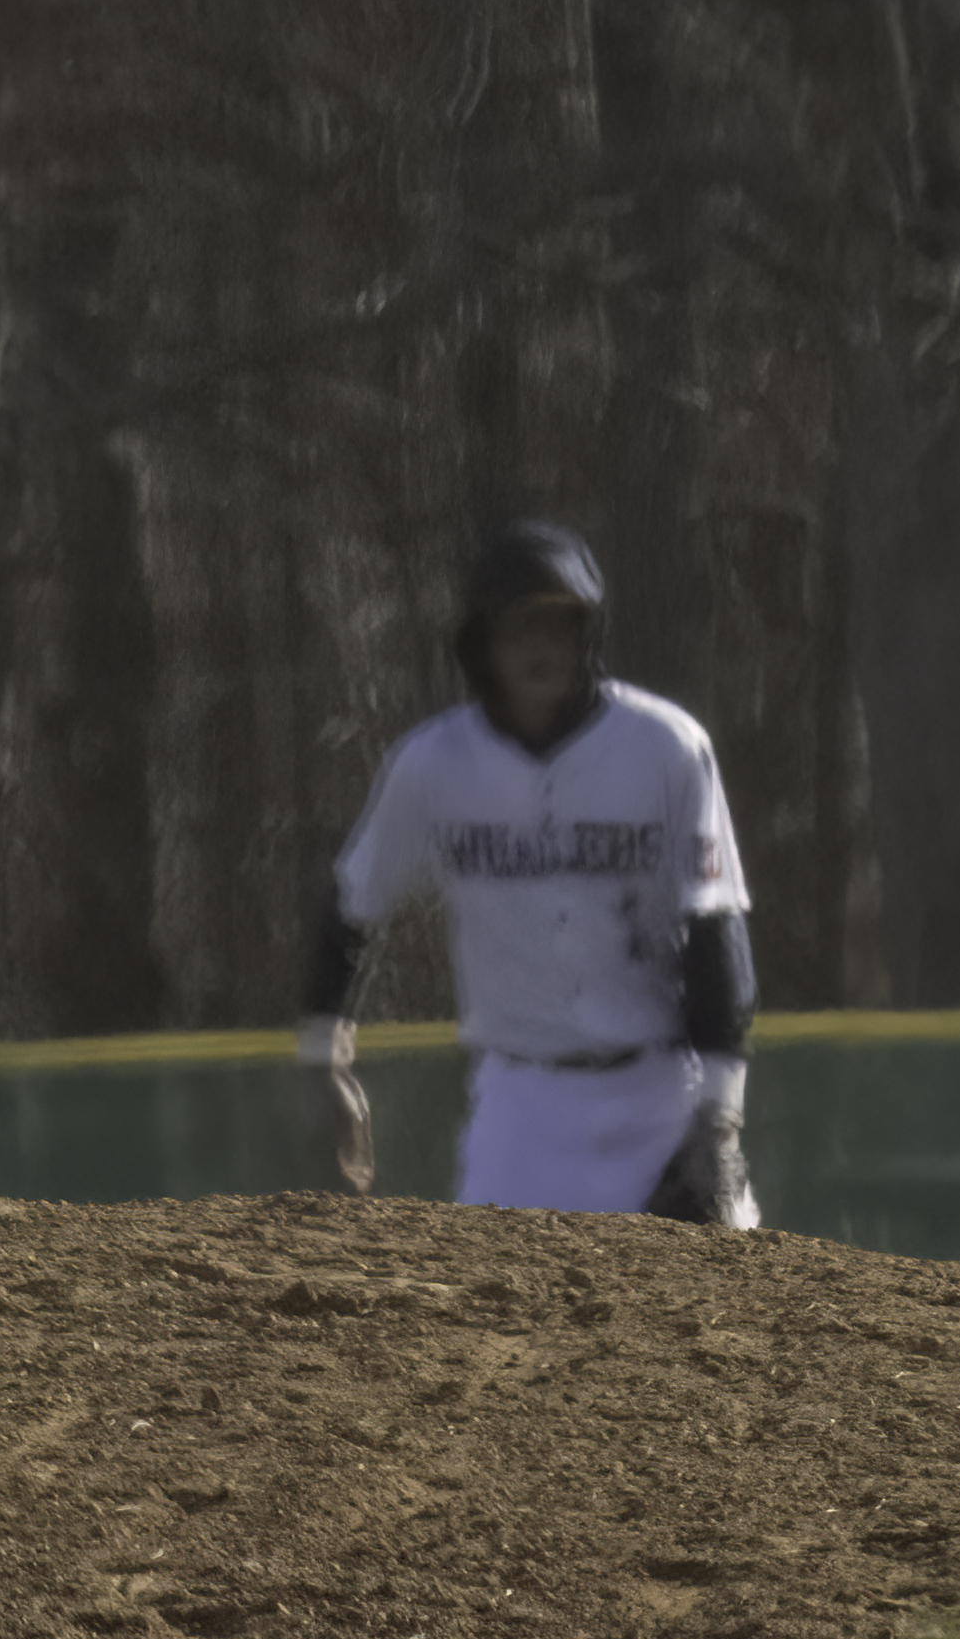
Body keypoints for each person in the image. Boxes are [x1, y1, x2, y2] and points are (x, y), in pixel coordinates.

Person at [306, 522, 758, 1224]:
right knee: (496, 1321)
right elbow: (352, 906)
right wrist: (324, 1060)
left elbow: (716, 929)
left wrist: (719, 1122)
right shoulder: (433, 765)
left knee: (723, 1321)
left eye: (558, 623)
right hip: (522, 1111)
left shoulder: (665, 748)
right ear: (480, 644)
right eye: (518, 628)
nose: (540, 646)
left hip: (661, 1097)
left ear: (589, 633)